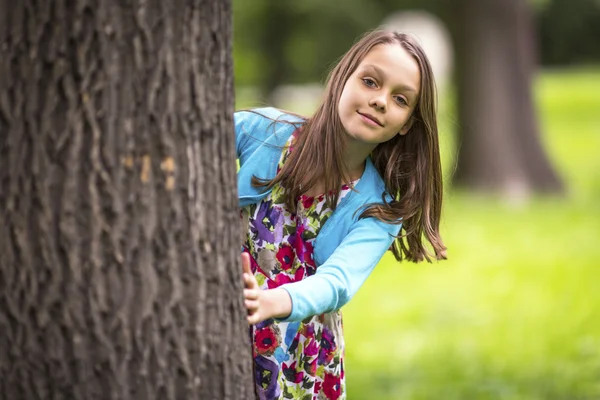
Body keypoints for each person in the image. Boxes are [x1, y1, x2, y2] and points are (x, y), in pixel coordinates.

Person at [236, 30, 446, 400]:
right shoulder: (264, 133)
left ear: (407, 123)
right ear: (342, 78)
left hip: (300, 361)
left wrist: (271, 301)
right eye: (369, 81)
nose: (379, 101)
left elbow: (337, 282)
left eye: (399, 99)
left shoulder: (379, 209)